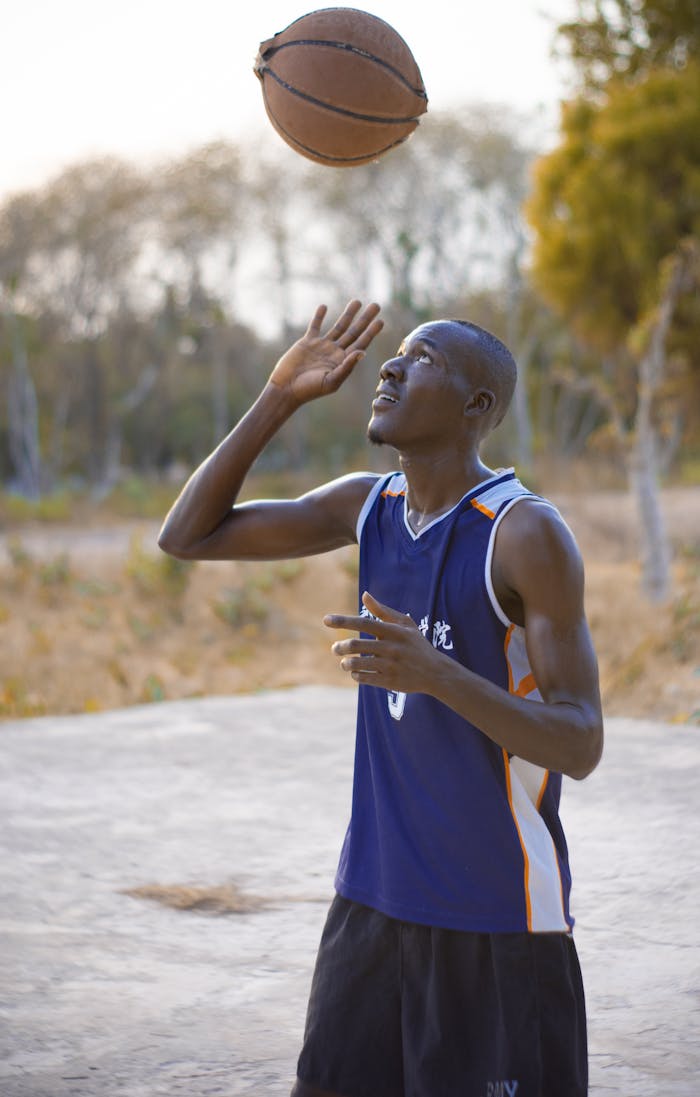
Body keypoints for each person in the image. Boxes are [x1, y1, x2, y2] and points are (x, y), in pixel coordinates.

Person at [158, 299, 604, 1097]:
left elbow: (579, 740)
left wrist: (437, 673)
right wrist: (280, 396)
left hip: (494, 915)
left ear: (478, 407)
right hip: (370, 900)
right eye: (394, 355)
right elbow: (187, 535)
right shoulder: (369, 505)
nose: (392, 367)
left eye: (423, 358)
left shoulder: (523, 533)